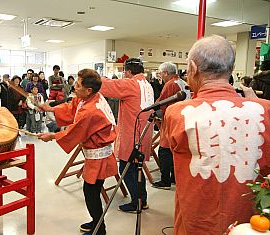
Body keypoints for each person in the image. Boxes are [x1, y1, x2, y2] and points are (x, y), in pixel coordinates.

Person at [161, 35, 270, 235]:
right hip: (252, 224)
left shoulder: (177, 112)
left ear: (193, 68)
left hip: (195, 221)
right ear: (230, 68)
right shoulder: (266, 110)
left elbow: (167, 146)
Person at [38, 69, 118, 235]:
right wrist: (49, 108)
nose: (74, 87)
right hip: (97, 153)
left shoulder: (90, 110)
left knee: (91, 193)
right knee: (92, 191)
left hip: (99, 156)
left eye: (78, 85)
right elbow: (72, 107)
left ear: (88, 90)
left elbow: (74, 132)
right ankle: (96, 222)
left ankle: (99, 229)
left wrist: (52, 135)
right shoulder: (91, 98)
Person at [99, 58, 154, 212]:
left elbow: (107, 86)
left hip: (133, 132)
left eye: (124, 71)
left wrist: (95, 77)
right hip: (144, 132)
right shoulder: (147, 84)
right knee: (137, 167)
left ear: (128, 71)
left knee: (127, 166)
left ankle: (136, 202)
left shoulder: (131, 83)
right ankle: (142, 199)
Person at [152, 62, 189, 190]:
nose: (160, 76)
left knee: (164, 150)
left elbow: (161, 102)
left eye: (161, 73)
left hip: (171, 121)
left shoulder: (170, 85)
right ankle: (174, 177)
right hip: (183, 120)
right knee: (175, 151)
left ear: (166, 73)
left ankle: (165, 180)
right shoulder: (182, 83)